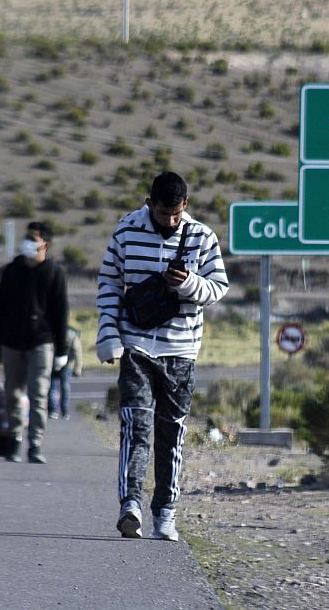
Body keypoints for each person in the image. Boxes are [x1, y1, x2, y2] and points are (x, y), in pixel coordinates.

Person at [96, 171, 229, 541]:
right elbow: (109, 280)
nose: (169, 221)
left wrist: (187, 283)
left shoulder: (203, 237)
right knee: (135, 426)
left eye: (175, 213)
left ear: (184, 205)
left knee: (171, 434)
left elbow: (218, 288)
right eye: (162, 212)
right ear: (148, 202)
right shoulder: (126, 231)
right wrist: (108, 332)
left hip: (182, 350)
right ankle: (130, 506)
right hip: (135, 346)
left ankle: (166, 511)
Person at [0, 221, 69, 464]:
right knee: (12, 393)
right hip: (11, 341)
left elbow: (60, 313)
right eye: (26, 239)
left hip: (41, 342)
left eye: (32, 240)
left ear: (44, 243)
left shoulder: (54, 272)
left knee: (39, 394)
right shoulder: (11, 271)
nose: (27, 244)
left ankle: (35, 443)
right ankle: (14, 439)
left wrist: (62, 350)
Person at [48, 325, 83, 420]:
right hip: (67, 365)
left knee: (53, 387)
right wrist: (78, 368)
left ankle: (53, 410)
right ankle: (64, 410)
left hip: (54, 363)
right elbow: (77, 352)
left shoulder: (51, 333)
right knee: (65, 387)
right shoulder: (72, 335)